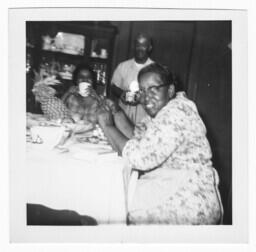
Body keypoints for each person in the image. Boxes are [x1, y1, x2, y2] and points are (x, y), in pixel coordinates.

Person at [97, 63, 223, 225]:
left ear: (170, 90)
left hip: (191, 200)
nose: (145, 96)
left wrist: (108, 126)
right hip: (173, 184)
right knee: (117, 197)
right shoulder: (162, 112)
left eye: (153, 89)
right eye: (142, 90)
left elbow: (139, 158)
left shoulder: (176, 113)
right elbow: (139, 139)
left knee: (115, 204)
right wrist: (117, 113)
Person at [110, 33, 154, 125]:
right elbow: (114, 86)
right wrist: (123, 94)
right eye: (138, 45)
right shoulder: (123, 66)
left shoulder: (155, 69)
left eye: (143, 46)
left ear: (149, 48)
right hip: (123, 114)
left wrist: (142, 97)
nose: (140, 49)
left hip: (145, 117)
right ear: (134, 47)